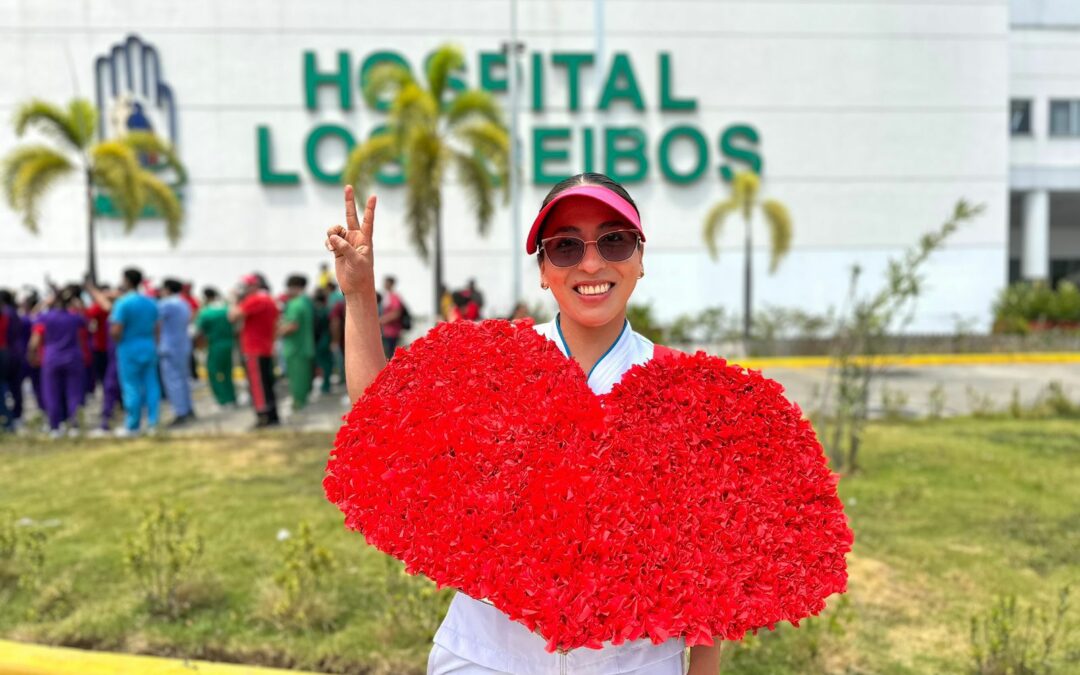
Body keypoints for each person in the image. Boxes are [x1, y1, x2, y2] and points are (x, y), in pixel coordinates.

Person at [325, 173, 721, 675]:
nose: (592, 262)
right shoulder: (486, 364)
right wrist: (359, 296)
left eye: (615, 241)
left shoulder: (688, 390)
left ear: (640, 260)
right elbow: (380, 425)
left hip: (636, 662)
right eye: (565, 247)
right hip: (486, 656)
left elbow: (712, 564)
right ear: (542, 270)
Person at [30, 286, 89, 436]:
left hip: (51, 358)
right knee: (73, 392)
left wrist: (45, 302)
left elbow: (33, 320)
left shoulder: (46, 317)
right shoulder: (74, 317)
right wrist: (76, 302)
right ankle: (74, 425)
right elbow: (86, 320)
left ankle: (55, 426)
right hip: (73, 358)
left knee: (52, 393)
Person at [110, 267, 161, 435]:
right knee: (151, 384)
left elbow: (116, 329)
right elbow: (157, 327)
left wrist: (117, 341)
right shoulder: (151, 302)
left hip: (128, 347)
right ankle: (154, 422)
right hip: (148, 345)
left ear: (126, 281)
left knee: (131, 386)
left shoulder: (123, 303)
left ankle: (133, 425)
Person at [230, 274, 280, 428]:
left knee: (257, 385)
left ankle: (262, 416)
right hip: (265, 346)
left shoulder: (255, 299)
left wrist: (234, 299)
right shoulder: (269, 299)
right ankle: (272, 415)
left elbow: (232, 316)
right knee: (266, 383)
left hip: (254, 348)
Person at [84, 280, 122, 431]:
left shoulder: (114, 309)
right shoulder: (111, 308)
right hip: (103, 348)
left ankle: (108, 416)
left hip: (106, 348)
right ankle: (117, 406)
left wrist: (93, 291)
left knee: (109, 383)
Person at [158, 278, 195, 426]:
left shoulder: (166, 304)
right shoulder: (184, 303)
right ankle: (188, 408)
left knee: (173, 381)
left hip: (170, 346)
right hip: (183, 344)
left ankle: (180, 412)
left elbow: (154, 318)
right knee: (184, 379)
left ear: (167, 289)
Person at [194, 287, 237, 407]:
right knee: (227, 372)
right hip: (229, 343)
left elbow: (197, 331)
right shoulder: (226, 309)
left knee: (213, 372)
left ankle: (222, 399)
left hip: (215, 345)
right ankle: (232, 397)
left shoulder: (206, 312)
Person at [279, 274, 316, 410]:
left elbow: (292, 326)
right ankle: (303, 402)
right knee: (304, 378)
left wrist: (277, 332)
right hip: (306, 346)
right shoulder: (306, 301)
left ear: (293, 287)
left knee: (296, 379)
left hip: (295, 348)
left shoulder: (295, 304)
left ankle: (298, 405)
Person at [312, 288, 334, 395]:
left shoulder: (314, 311)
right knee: (327, 364)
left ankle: (323, 386)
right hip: (326, 338)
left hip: (318, 340)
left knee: (321, 364)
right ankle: (326, 386)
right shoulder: (327, 310)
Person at [378, 276, 405, 359]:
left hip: (392, 331)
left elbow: (396, 313)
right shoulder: (386, 296)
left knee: (390, 354)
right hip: (385, 331)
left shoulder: (394, 297)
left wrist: (383, 320)